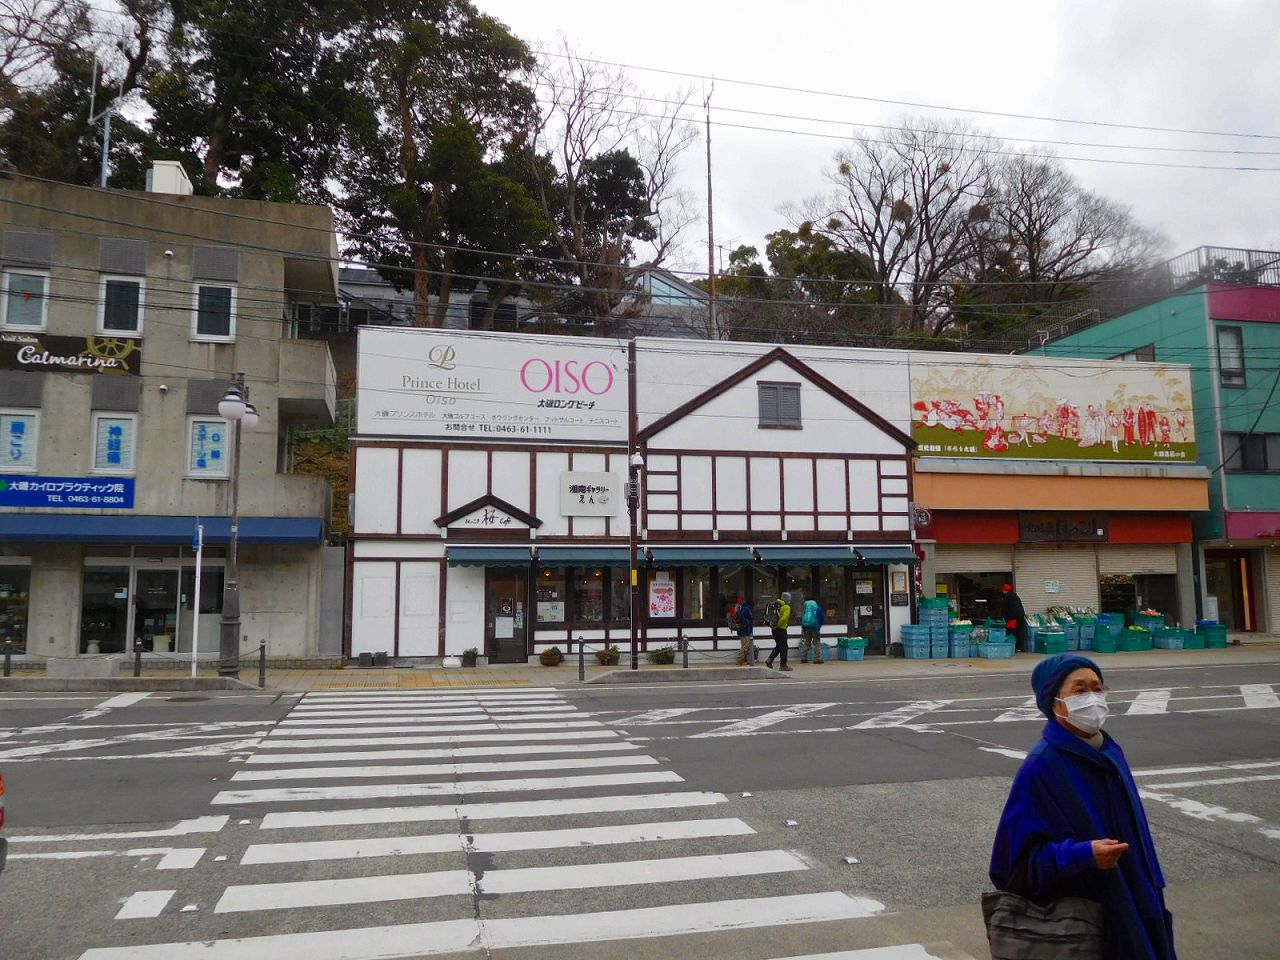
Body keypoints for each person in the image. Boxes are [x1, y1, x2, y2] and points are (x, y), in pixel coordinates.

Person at [989, 654, 1176, 959]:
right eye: (1079, 690)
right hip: (1087, 923)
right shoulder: (1042, 767)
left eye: (1098, 688)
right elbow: (1010, 867)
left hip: (1140, 901)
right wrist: (1081, 855)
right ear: (1055, 703)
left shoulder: (1109, 753)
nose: (1093, 698)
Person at [766, 592, 792, 671]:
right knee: (784, 647)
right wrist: (779, 624)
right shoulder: (786, 607)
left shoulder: (775, 605)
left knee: (779, 645)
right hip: (781, 629)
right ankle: (783, 665)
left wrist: (774, 625)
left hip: (773, 629)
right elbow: (784, 618)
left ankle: (770, 659)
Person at [1001, 583, 1028, 650]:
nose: (1002, 591)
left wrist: (1004, 616)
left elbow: (1007, 608)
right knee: (1020, 632)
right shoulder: (1015, 596)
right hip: (1020, 617)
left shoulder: (1008, 597)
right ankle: (1021, 647)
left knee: (1012, 632)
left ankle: (1014, 646)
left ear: (1006, 590)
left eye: (1003, 590)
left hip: (1013, 618)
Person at [799, 595, 825, 663]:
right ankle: (817, 659)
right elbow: (822, 618)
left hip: (807, 627)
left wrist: (804, 627)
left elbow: (802, 618)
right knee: (816, 643)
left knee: (807, 642)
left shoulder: (806, 609)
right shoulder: (818, 608)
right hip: (815, 628)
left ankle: (803, 658)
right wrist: (818, 626)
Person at [730, 596, 754, 665]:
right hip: (742, 630)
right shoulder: (742, 609)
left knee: (745, 646)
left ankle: (744, 659)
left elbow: (744, 620)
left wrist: (738, 613)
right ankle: (745, 659)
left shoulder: (745, 609)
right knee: (744, 645)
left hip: (745, 630)